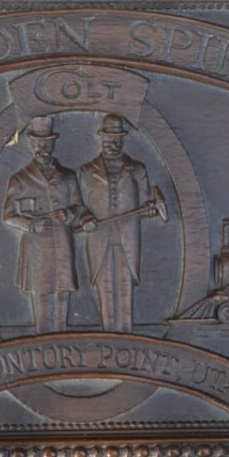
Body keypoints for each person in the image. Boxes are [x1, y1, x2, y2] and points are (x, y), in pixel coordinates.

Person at [2, 116, 83, 334]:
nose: (42, 149)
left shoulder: (68, 176)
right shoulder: (20, 179)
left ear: (53, 144)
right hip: (37, 245)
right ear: (31, 144)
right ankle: (42, 336)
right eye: (38, 144)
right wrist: (31, 225)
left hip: (62, 241)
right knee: (41, 290)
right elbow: (8, 216)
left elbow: (78, 205)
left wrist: (69, 213)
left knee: (63, 288)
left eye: (47, 144)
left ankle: (61, 334)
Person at [78, 114, 151, 333]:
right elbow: (78, 204)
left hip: (128, 238)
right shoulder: (86, 171)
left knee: (125, 286)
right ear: (101, 139)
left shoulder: (138, 170)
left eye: (117, 139)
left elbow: (148, 203)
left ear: (123, 140)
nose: (112, 144)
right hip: (99, 238)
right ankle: (108, 333)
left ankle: (126, 334)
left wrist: (151, 209)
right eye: (109, 139)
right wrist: (84, 218)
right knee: (106, 287)